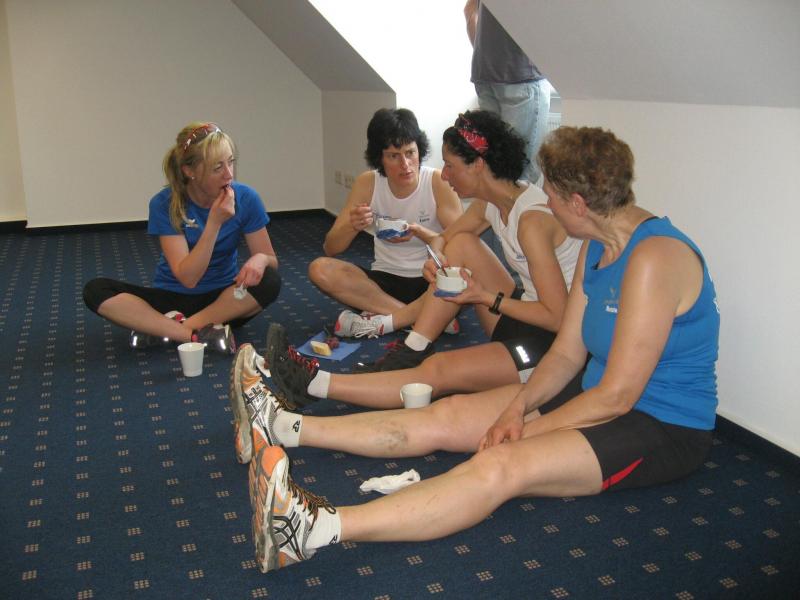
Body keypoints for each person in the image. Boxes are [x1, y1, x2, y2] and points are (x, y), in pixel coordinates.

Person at [238, 126, 721, 573]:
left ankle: (310, 530)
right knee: (449, 415)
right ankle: (284, 425)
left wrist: (526, 430)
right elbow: (567, 354)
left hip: (660, 425)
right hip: (594, 392)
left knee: (498, 464)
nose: (547, 204)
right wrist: (517, 408)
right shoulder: (597, 245)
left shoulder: (654, 257)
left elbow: (618, 397)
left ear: (578, 202)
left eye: (552, 195)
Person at [246, 110, 581, 413]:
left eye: (450, 165)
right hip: (519, 313)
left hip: (553, 342)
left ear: (478, 165)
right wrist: (438, 255)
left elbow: (556, 318)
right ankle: (413, 346)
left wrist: (485, 297)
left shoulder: (531, 223)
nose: (445, 175)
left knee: (437, 372)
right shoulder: (491, 202)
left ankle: (315, 384)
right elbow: (446, 238)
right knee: (462, 242)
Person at [83, 122, 281, 354]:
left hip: (223, 301)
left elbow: (271, 259)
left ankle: (164, 329)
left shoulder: (246, 198)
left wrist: (261, 260)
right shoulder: (165, 203)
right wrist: (214, 223)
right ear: (190, 171)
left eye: (230, 162)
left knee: (270, 280)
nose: (229, 174)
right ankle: (194, 334)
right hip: (171, 297)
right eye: (217, 167)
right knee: (95, 290)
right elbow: (189, 278)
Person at [307, 108, 462, 338]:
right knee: (319, 269)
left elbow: (462, 244)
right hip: (383, 283)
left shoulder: (437, 182)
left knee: (458, 280)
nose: (405, 165)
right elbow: (330, 248)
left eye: (410, 153)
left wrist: (420, 232)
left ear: (420, 149)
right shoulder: (368, 183)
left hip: (430, 279)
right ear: (379, 158)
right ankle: (421, 318)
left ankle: (390, 317)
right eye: (393, 156)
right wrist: (352, 225)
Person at [464, 0, 551, 185]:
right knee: (521, 174)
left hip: (485, 70)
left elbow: (469, 10)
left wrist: (486, 52)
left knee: (494, 167)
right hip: (520, 73)